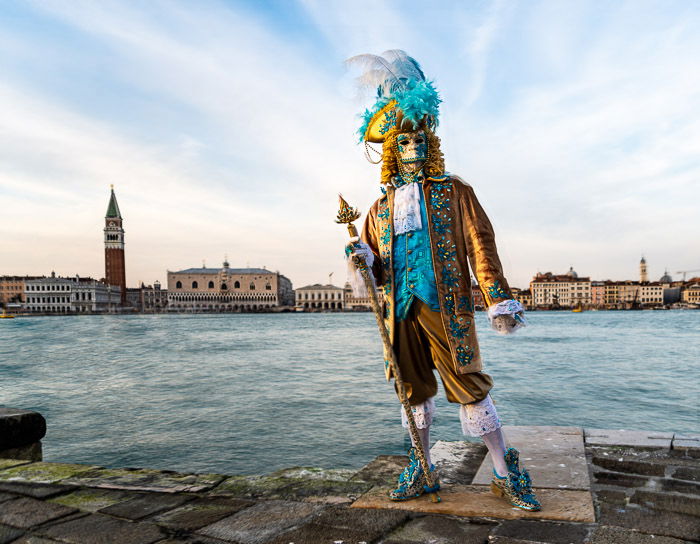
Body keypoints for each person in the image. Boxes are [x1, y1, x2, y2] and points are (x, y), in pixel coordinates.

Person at [345, 50, 540, 511]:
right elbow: (377, 273)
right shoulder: (378, 209)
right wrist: (360, 257)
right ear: (392, 150)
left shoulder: (455, 192)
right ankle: (423, 465)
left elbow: (480, 245)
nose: (410, 147)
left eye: (417, 140)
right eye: (402, 142)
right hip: (401, 311)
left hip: (445, 309)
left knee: (470, 387)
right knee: (411, 389)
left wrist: (498, 300)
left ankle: (503, 471)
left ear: (428, 141)